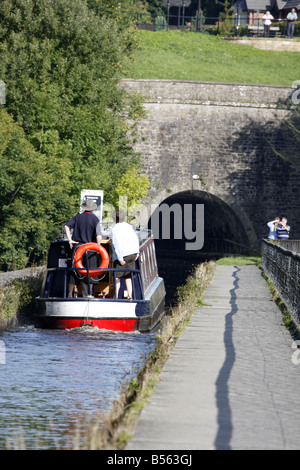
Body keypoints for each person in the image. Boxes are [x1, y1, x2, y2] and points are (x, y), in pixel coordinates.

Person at [64, 199, 102, 297]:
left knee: (74, 271)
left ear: (84, 208)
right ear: (92, 209)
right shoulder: (95, 219)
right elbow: (98, 235)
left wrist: (70, 240)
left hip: (77, 248)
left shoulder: (77, 217)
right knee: (90, 271)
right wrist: (98, 247)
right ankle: (88, 294)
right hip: (90, 249)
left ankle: (69, 294)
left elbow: (66, 226)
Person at [110, 210, 139, 300]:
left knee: (117, 277)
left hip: (123, 255)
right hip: (132, 254)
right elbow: (135, 238)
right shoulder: (129, 226)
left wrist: (119, 258)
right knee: (128, 277)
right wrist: (137, 252)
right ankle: (130, 296)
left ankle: (116, 297)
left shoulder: (115, 229)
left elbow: (116, 243)